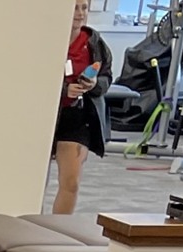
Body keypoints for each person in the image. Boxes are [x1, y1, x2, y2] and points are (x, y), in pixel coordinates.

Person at [53, 0, 114, 215]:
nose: (80, 14)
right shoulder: (47, 39)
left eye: (84, 8)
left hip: (77, 116)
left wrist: (94, 84)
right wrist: (63, 90)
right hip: (45, 116)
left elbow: (107, 77)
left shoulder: (94, 43)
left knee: (71, 183)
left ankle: (57, 231)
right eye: (75, 8)